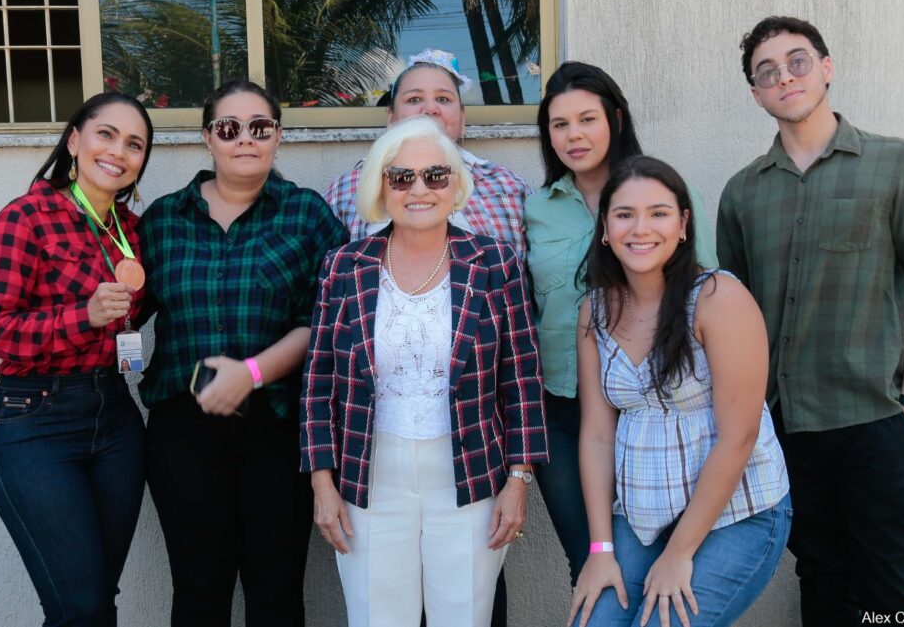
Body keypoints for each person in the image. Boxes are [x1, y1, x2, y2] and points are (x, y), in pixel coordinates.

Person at [717, 16, 904, 625]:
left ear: (826, 67)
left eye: (797, 61)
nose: (785, 77)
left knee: (889, 594)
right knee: (822, 584)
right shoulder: (742, 193)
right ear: (756, 93)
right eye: (766, 71)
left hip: (877, 422)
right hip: (788, 430)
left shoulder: (898, 165)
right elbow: (736, 321)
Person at [301, 116, 548, 626]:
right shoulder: (343, 266)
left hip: (471, 474)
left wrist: (519, 479)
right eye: (401, 177)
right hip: (368, 477)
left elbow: (520, 379)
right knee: (377, 618)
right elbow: (318, 382)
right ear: (380, 186)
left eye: (435, 175)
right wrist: (323, 485)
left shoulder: (494, 263)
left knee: (463, 617)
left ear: (455, 185)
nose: (419, 189)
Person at [136, 79, 348, 626]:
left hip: (276, 426)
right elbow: (127, 308)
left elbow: (326, 319)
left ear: (279, 137)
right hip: (183, 429)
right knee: (199, 589)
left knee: (275, 590)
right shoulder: (162, 220)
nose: (245, 139)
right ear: (208, 137)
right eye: (230, 129)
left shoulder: (306, 215)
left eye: (261, 127)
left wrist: (252, 372)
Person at [569, 156, 790, 627]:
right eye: (624, 214)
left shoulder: (717, 299)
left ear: (684, 224)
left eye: (659, 213)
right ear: (605, 228)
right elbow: (596, 436)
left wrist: (680, 553)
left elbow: (740, 436)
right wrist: (600, 549)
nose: (640, 228)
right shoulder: (594, 312)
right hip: (643, 518)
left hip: (737, 512)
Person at [526, 61, 719, 588]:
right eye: (559, 124)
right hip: (564, 411)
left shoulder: (665, 198)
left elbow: (702, 300)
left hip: (652, 410)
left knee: (663, 564)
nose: (574, 135)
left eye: (586, 119)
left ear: (615, 117)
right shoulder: (537, 209)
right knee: (590, 559)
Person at [0, 91, 154, 625]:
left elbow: (131, 312)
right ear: (74, 140)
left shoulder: (133, 231)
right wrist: (84, 317)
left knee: (99, 598)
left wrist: (108, 320)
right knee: (78, 607)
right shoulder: (23, 219)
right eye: (106, 134)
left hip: (116, 417)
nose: (118, 151)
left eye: (135, 144)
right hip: (35, 420)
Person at [323, 48, 531, 257]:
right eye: (414, 99)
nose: (430, 109)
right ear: (391, 118)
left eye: (443, 99)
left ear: (462, 118)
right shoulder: (346, 190)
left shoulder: (508, 186)